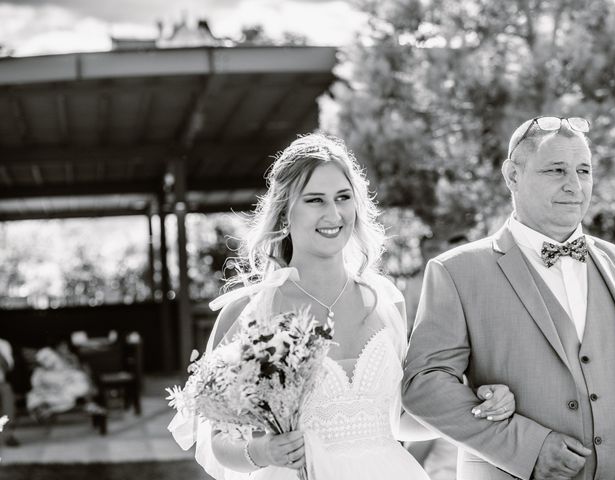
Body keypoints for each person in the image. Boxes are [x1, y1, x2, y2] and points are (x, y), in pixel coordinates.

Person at [169, 133, 517, 479]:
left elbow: (399, 420)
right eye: (315, 200)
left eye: (343, 197)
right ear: (284, 211)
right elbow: (219, 442)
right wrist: (262, 452)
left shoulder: (385, 300)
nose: (334, 213)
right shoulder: (251, 311)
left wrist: (474, 406)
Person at [403, 116, 615, 480]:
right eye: (556, 170)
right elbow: (424, 384)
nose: (574, 185)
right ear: (512, 176)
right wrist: (525, 446)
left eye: (583, 170)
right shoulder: (457, 272)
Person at [0, 338, 19, 446]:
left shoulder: (3, 344)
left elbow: (8, 367)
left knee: (7, 394)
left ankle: (8, 435)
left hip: (1, 383)